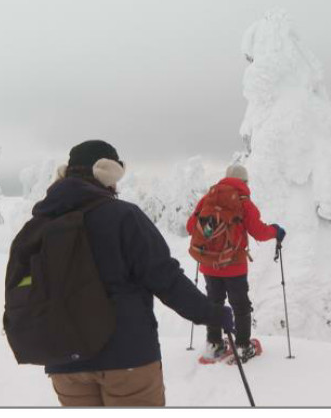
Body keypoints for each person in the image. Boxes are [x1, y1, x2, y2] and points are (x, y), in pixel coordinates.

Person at [33, 140, 233, 407]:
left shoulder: (42, 223)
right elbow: (165, 279)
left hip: (64, 363)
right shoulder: (124, 216)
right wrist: (212, 314)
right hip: (127, 359)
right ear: (108, 174)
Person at [186, 164, 286, 363]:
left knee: (214, 302)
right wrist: (276, 231)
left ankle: (213, 345)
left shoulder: (208, 199)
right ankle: (242, 346)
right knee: (240, 305)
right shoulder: (244, 202)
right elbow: (258, 231)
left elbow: (191, 227)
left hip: (209, 264)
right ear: (245, 182)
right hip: (234, 265)